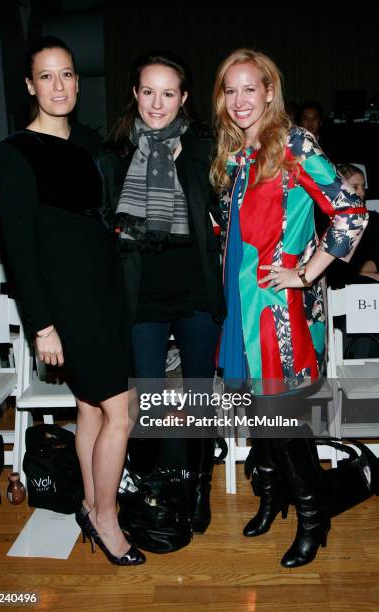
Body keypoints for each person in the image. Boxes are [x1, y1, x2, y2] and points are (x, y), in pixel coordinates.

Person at [211, 49, 368, 567]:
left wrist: (304, 271)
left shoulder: (294, 144)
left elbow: (349, 211)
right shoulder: (239, 154)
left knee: (281, 419)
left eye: (249, 88)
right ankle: (274, 495)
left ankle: (313, 517)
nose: (239, 100)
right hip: (239, 308)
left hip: (274, 310)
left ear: (270, 92)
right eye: (230, 90)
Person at [0, 36, 145, 566]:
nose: (58, 86)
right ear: (30, 86)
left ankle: (88, 502)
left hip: (105, 294)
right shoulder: (14, 152)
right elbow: (18, 248)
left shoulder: (89, 141)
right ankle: (106, 520)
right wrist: (42, 326)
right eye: (46, 76)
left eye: (67, 75)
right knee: (120, 411)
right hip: (67, 305)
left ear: (79, 83)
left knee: (90, 410)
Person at [102, 51, 226, 534]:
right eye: (148, 91)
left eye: (168, 93)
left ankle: (197, 487)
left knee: (198, 396)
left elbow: (230, 210)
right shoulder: (112, 157)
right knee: (143, 402)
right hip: (142, 299)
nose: (158, 102)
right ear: (134, 95)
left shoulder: (203, 149)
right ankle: (155, 487)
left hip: (196, 292)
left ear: (184, 99)